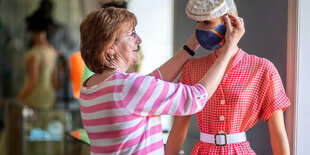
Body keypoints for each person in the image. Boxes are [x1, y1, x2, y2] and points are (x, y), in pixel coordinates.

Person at [79, 7, 244, 154]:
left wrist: (192, 44)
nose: (139, 39)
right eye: (131, 34)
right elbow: (196, 97)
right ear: (110, 48)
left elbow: (151, 82)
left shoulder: (89, 88)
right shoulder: (127, 87)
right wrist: (228, 50)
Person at [165, 0, 290, 155]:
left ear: (229, 22)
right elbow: (178, 127)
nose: (198, 29)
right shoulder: (192, 69)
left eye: (206, 22)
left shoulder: (263, 69)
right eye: (198, 22)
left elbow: (278, 133)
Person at [18, 9, 57, 109]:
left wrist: (20, 96)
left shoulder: (34, 53)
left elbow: (33, 80)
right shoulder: (51, 51)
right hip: (48, 98)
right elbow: (54, 81)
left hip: (33, 98)